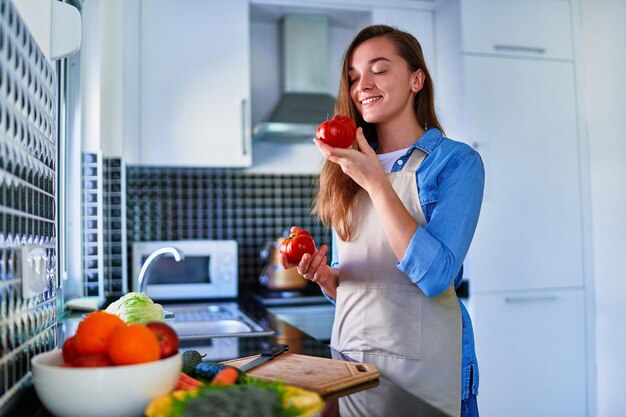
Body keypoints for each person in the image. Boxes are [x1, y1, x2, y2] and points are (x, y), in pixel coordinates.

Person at [280, 25, 484, 417]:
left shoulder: (457, 163)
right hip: (353, 367)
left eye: (379, 69)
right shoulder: (344, 167)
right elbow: (366, 288)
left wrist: (376, 182)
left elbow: (436, 276)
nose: (363, 85)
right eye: (354, 77)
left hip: (427, 375)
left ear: (416, 79)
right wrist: (326, 277)